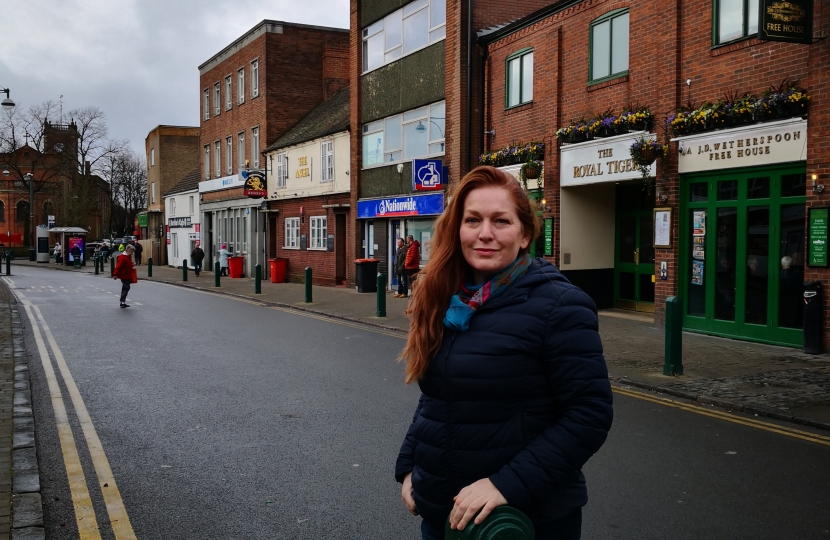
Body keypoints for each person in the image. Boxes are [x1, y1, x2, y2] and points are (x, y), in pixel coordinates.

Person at [395, 166, 613, 540]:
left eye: (501, 221)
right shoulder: (449, 299)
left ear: (525, 234)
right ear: (457, 229)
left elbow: (589, 414)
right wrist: (411, 467)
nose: (485, 234)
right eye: (473, 220)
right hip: (445, 516)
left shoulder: (561, 306)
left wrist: (504, 485)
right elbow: (440, 395)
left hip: (520, 522)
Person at [113, 244, 136, 308]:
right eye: (131, 251)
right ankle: (122, 301)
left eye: (132, 252)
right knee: (127, 287)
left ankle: (123, 301)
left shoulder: (128, 257)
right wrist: (115, 274)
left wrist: (132, 264)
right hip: (124, 274)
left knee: (125, 287)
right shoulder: (122, 257)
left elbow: (127, 264)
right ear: (127, 250)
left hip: (128, 274)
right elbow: (118, 266)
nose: (132, 253)